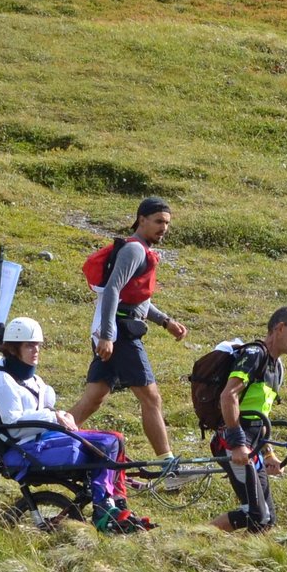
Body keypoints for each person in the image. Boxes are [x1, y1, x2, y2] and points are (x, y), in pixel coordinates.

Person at [0, 316, 148, 533]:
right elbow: (12, 421)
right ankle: (102, 510)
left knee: (115, 439)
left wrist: (57, 415)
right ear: (14, 349)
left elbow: (42, 413)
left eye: (38, 345)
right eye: (29, 345)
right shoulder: (3, 380)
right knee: (107, 442)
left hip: (44, 438)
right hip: (26, 446)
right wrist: (54, 417)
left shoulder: (34, 381)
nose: (36, 350)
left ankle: (117, 504)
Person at [73, 198, 189, 466]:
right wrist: (108, 335)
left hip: (114, 330)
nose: (164, 228)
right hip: (120, 334)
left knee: (94, 397)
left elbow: (135, 298)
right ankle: (166, 465)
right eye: (159, 221)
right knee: (151, 397)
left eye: (167, 223)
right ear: (141, 219)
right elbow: (113, 289)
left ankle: (48, 438)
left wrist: (165, 321)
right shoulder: (135, 250)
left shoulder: (140, 250)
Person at [212, 307, 287, 534]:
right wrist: (236, 444)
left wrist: (268, 453)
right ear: (280, 328)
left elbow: (260, 416)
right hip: (232, 443)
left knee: (266, 520)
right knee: (256, 515)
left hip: (252, 447)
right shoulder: (255, 355)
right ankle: (192, 542)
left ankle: (247, 562)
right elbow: (228, 396)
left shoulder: (278, 367)